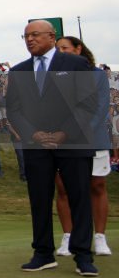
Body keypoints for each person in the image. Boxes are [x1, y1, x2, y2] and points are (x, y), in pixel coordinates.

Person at [7, 20, 98, 276]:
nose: (30, 40)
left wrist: (63, 133)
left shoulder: (77, 64)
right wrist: (33, 133)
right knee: (39, 199)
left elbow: (88, 103)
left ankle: (83, 256)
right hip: (36, 146)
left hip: (73, 142)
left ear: (51, 36)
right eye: (25, 36)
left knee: (79, 198)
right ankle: (43, 253)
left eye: (35, 35)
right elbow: (13, 109)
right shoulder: (18, 71)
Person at [52, 36, 112, 258]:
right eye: (58, 49)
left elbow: (100, 108)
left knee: (97, 186)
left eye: (65, 48)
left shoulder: (96, 75)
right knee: (64, 189)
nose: (61, 52)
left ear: (78, 49)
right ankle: (68, 236)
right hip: (63, 140)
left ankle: (100, 237)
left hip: (93, 138)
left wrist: (78, 131)